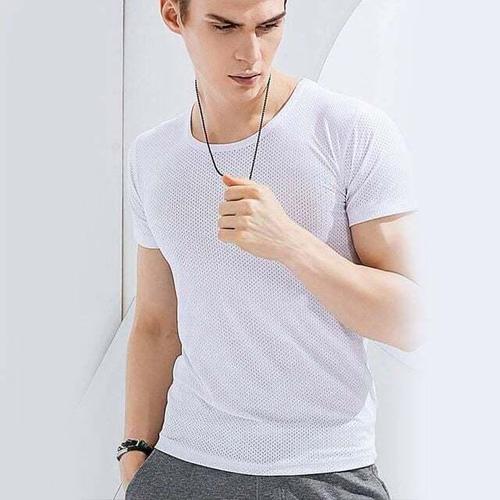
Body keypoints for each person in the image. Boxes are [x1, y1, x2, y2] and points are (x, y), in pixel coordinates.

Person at [118, 0, 423, 498]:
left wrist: (291, 243)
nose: (252, 53)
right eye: (224, 27)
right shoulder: (153, 156)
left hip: (323, 469)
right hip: (183, 464)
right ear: (174, 17)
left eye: (268, 26)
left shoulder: (349, 131)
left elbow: (410, 322)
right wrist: (135, 451)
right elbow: (156, 324)